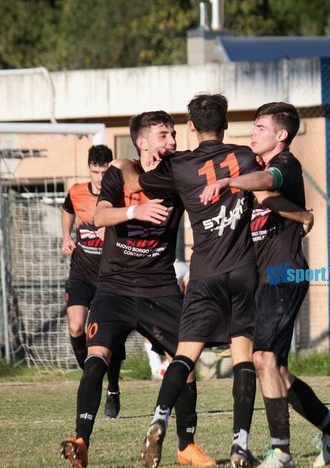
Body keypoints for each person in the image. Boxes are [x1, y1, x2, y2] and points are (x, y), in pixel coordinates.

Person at [116, 93, 310, 468]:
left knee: (185, 354)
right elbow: (267, 192)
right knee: (243, 356)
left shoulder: (178, 164)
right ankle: (240, 445)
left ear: (190, 126)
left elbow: (138, 181)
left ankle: (159, 418)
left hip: (203, 273)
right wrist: (300, 214)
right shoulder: (245, 157)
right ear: (225, 124)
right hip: (242, 271)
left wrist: (124, 164)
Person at [200, 102, 330, 468]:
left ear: (281, 135)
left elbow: (269, 185)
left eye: (260, 127)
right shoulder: (256, 171)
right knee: (277, 371)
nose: (252, 132)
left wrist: (228, 180)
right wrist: (300, 213)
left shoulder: (285, 165)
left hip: (284, 275)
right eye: (253, 126)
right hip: (262, 280)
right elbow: (267, 196)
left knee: (262, 357)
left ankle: (281, 452)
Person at [60, 111, 214, 468]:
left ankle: (186, 446)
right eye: (163, 135)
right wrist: (136, 210)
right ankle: (81, 441)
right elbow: (99, 217)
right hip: (114, 288)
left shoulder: (179, 171)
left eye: (174, 134)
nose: (172, 142)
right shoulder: (118, 173)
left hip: (159, 287)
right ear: (142, 142)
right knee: (97, 356)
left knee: (187, 363)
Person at [61, 144, 125, 419]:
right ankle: (91, 378)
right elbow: (67, 210)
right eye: (94, 171)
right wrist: (66, 235)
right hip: (82, 273)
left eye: (104, 171)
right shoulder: (77, 192)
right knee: (76, 326)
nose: (100, 178)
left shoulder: (119, 195)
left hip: (111, 276)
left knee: (107, 340)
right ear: (89, 169)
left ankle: (112, 387)